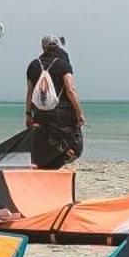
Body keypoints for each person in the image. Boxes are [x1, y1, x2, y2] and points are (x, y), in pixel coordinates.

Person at [25, 33, 84, 170]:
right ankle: (54, 168)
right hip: (62, 114)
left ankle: (46, 170)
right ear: (57, 47)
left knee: (45, 146)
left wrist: (28, 115)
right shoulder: (63, 64)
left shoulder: (33, 65)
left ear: (42, 47)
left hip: (40, 113)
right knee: (75, 148)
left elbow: (30, 93)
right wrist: (79, 112)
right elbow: (70, 90)